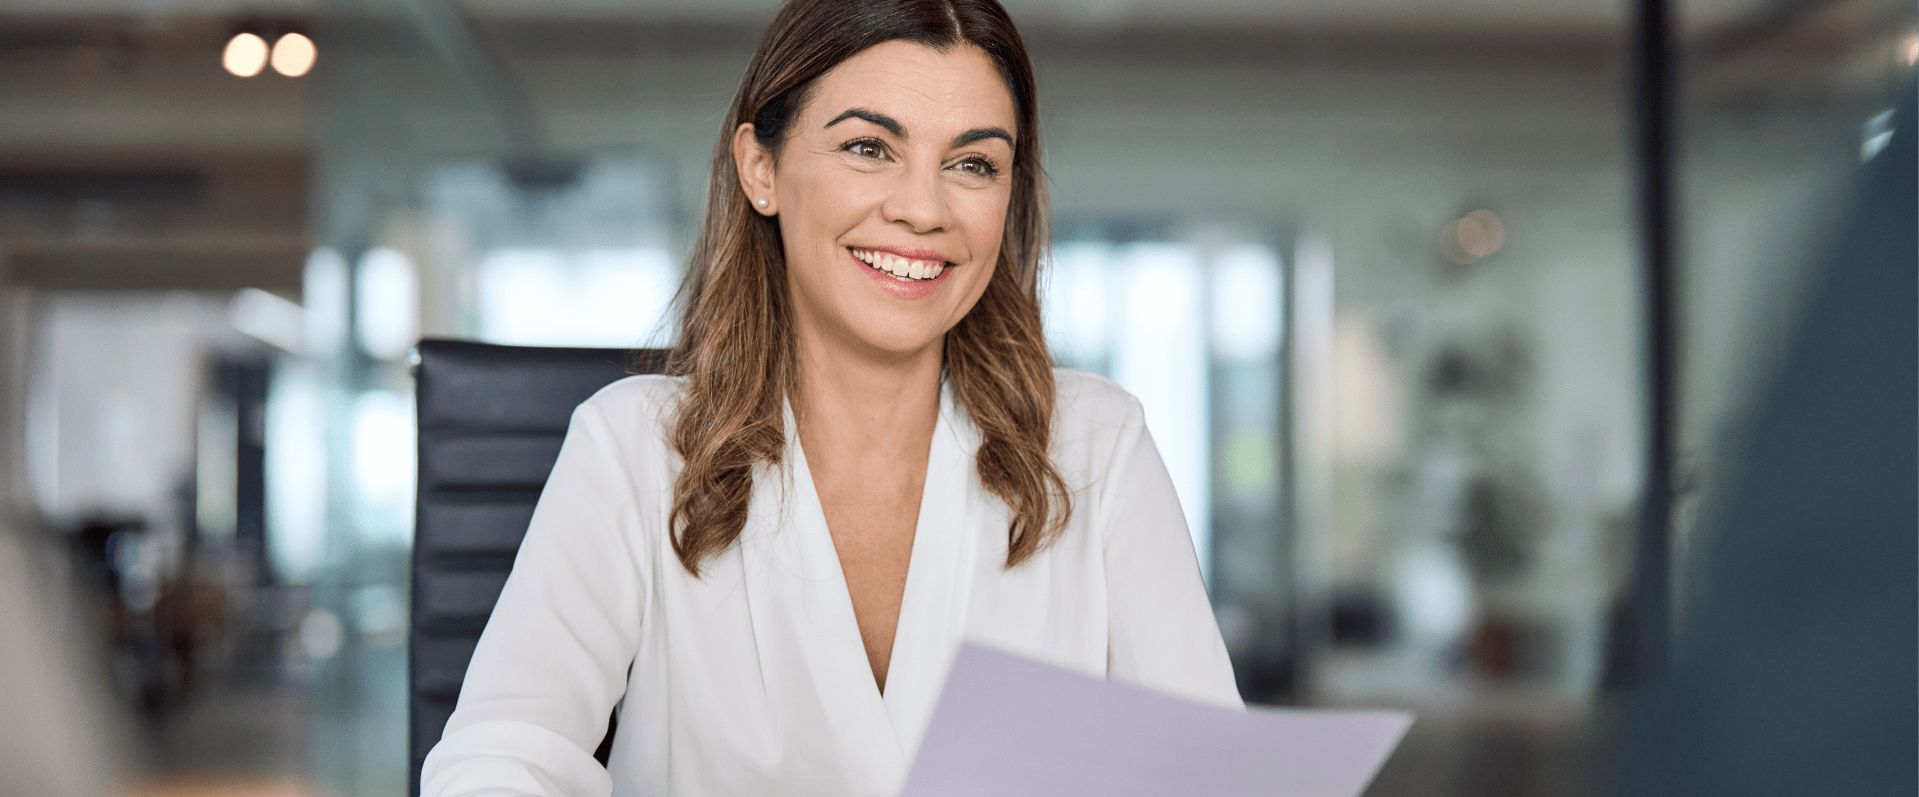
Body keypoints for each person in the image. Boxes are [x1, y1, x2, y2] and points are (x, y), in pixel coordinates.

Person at [420, 1, 1239, 795]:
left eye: (972, 163)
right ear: (761, 168)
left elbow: (1210, 770)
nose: (922, 208)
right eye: (868, 148)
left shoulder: (1096, 445)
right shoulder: (634, 447)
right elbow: (505, 751)